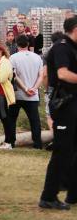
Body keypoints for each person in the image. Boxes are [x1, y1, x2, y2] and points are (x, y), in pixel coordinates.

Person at [38, 16, 77, 209]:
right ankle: (48, 196)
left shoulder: (72, 48)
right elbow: (62, 74)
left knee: (73, 149)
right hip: (64, 106)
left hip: (73, 105)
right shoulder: (62, 47)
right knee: (62, 150)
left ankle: (73, 194)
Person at [6, 34, 44, 149]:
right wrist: (34, 88)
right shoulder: (37, 57)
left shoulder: (13, 58)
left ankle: (11, 142)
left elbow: (14, 76)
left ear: (16, 44)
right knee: (35, 121)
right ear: (28, 44)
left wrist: (25, 89)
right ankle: (37, 144)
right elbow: (41, 76)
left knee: (12, 119)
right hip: (33, 95)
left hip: (17, 94)